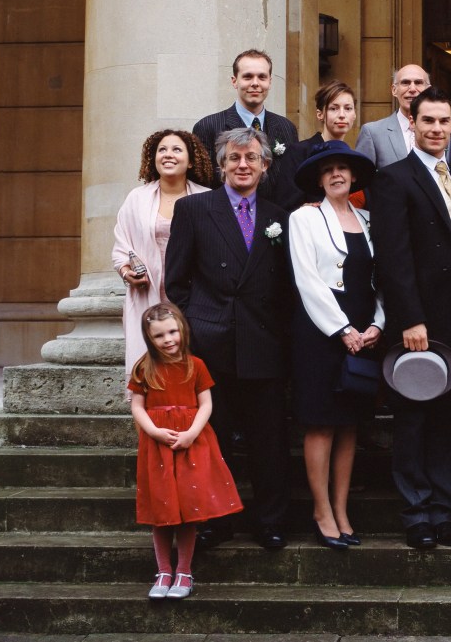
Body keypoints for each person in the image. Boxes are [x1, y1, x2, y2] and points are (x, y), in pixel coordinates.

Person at [165, 127, 293, 551]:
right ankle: (213, 520)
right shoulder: (193, 209)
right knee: (211, 438)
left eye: (251, 158)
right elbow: (176, 281)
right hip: (210, 345)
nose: (243, 165)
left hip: (264, 342)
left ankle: (270, 521)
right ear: (221, 166)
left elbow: (288, 286)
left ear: (264, 165)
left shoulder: (282, 215)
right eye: (234, 159)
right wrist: (197, 329)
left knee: (269, 441)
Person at [371, 87, 451, 550]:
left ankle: (444, 512)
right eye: (428, 121)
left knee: (447, 418)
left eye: (444, 121)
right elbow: (393, 258)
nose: (436, 129)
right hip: (418, 323)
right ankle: (417, 515)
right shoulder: (393, 179)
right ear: (411, 123)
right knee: (414, 416)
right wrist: (410, 318)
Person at [286, 140, 383, 550]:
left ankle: (342, 510)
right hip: (321, 334)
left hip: (365, 334)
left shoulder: (369, 219)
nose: (336, 174)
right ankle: (321, 510)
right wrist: (342, 329)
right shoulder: (303, 219)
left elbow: (382, 279)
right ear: (319, 180)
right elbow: (307, 280)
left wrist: (378, 324)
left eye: (343, 168)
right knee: (322, 421)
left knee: (349, 425)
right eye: (328, 170)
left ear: (354, 175)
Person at [129, 303, 243, 601]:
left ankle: (184, 571)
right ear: (149, 339)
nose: (168, 340)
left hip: (190, 444)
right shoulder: (144, 367)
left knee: (188, 510)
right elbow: (137, 406)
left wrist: (192, 432)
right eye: (159, 336)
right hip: (159, 446)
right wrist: (153, 431)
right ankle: (163, 570)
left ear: (182, 329)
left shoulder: (196, 366)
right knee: (161, 509)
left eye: (172, 331)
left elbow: (206, 404)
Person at [112, 130, 213, 382]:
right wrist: (127, 273)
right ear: (153, 158)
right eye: (162, 150)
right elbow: (121, 246)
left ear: (190, 161)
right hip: (148, 293)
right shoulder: (137, 198)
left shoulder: (207, 198)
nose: (168, 155)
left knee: (191, 368)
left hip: (194, 296)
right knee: (147, 374)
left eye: (177, 149)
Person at [192, 49, 299, 205]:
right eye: (248, 76)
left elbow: (292, 181)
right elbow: (201, 185)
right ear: (234, 81)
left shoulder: (287, 128)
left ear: (270, 82)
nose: (255, 83)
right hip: (225, 220)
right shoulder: (207, 127)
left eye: (262, 77)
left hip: (277, 221)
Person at [276, 80, 359, 209]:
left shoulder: (354, 159)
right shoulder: (298, 152)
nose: (342, 115)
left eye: (348, 108)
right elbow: (285, 203)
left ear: (354, 115)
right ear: (320, 114)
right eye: (334, 108)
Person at [355, 64, 430, 168]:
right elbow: (362, 180)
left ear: (428, 90)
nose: (412, 88)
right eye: (405, 82)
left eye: (418, 83)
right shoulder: (373, 133)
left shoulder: (440, 132)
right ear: (394, 90)